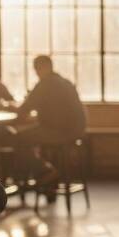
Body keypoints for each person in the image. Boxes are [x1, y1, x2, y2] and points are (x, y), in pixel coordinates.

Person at [14, 55, 87, 185]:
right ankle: (47, 180)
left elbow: (24, 110)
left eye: (37, 69)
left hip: (58, 131)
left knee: (19, 138)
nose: (36, 72)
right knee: (31, 135)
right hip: (76, 130)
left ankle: (44, 171)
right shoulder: (65, 82)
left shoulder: (44, 84)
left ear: (42, 68)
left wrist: (10, 108)